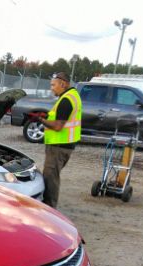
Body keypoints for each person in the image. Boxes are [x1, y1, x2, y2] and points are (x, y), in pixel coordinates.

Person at [36, 72, 82, 208]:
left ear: (63, 84)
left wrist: (40, 120)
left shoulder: (66, 100)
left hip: (59, 146)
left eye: (53, 85)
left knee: (51, 179)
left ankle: (49, 210)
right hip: (64, 144)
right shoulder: (72, 96)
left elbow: (57, 126)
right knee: (52, 177)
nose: (52, 88)